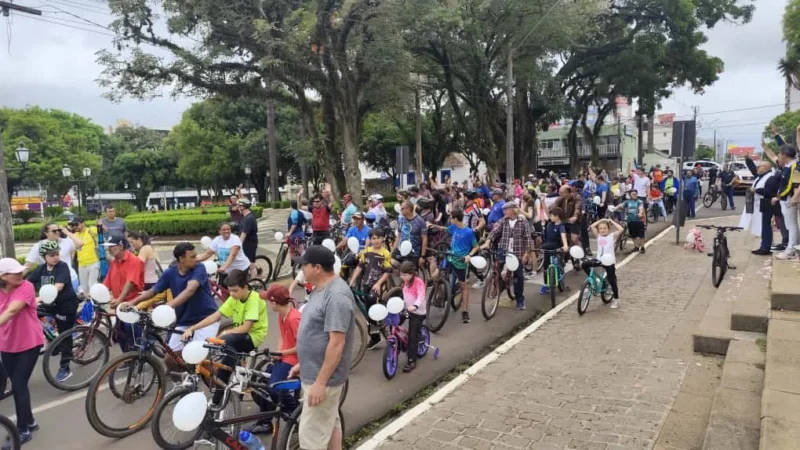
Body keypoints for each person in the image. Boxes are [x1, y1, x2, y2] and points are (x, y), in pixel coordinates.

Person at [288, 246, 354, 450]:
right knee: (329, 422)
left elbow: (336, 344)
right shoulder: (320, 289)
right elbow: (317, 334)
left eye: (303, 265)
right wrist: (304, 362)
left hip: (323, 380)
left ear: (317, 268)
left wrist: (320, 383)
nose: (301, 270)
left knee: (311, 438)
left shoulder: (336, 296)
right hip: (314, 371)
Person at [122, 243, 219, 371]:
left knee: (200, 360)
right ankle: (180, 386)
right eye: (192, 256)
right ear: (181, 259)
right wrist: (133, 303)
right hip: (184, 321)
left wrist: (168, 307)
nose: (197, 258)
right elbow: (154, 291)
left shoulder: (199, 268)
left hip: (206, 320)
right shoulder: (170, 273)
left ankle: (219, 387)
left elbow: (190, 290)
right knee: (170, 360)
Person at [181, 269, 267, 402]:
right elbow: (215, 317)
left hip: (252, 336)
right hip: (239, 335)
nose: (231, 294)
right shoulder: (234, 298)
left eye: (235, 290)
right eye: (230, 291)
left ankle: (219, 396)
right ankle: (231, 377)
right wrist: (192, 328)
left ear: (245, 287)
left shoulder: (254, 298)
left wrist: (226, 332)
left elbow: (246, 328)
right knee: (217, 349)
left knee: (226, 352)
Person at [0, 258, 45, 445]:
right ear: (3, 276)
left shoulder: (25, 287)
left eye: (20, 271)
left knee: (18, 385)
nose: (20, 274)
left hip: (29, 343)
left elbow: (12, 311)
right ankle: (31, 421)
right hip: (6, 344)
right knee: (19, 384)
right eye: (15, 272)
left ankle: (22, 430)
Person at [248, 284, 301, 434]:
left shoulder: (294, 319)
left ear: (274, 303)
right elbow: (282, 336)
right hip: (285, 356)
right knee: (260, 384)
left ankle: (293, 411)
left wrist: (282, 353)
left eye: (269, 301)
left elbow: (302, 346)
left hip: (294, 359)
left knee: (274, 387)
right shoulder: (282, 315)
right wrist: (278, 353)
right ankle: (265, 422)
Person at [27, 241, 80, 383]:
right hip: (50, 304)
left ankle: (65, 367)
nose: (56, 257)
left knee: (64, 335)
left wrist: (38, 299)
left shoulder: (62, 267)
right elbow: (27, 282)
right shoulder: (41, 269)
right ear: (44, 257)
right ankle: (52, 340)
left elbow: (58, 286)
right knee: (34, 315)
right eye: (52, 255)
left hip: (66, 305)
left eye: (57, 253)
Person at [428, 209, 480, 321]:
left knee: (463, 286)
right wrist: (433, 225)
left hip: (460, 261)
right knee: (435, 276)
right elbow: (446, 229)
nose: (450, 220)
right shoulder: (454, 228)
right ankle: (440, 295)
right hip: (449, 257)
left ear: (455, 219)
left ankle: (465, 311)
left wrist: (469, 255)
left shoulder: (469, 232)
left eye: (451, 218)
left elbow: (476, 246)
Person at [481, 202, 533, 310]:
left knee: (519, 276)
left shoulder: (522, 221)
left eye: (507, 209)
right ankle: (498, 283)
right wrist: (487, 242)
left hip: (517, 252)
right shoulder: (503, 220)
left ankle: (520, 300)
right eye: (504, 210)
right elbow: (494, 232)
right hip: (503, 249)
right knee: (496, 268)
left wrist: (526, 253)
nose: (504, 212)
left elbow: (528, 238)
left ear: (513, 210)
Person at [348, 228, 392, 349]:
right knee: (367, 308)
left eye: (379, 238)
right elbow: (359, 267)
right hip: (366, 283)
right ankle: (374, 327)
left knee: (371, 303)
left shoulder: (386, 253)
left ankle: (375, 335)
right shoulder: (366, 251)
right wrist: (351, 281)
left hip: (377, 285)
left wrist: (378, 284)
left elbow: (387, 272)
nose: (376, 240)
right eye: (373, 238)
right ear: (370, 240)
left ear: (383, 239)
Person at [102, 236, 145, 353]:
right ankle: (127, 358)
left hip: (132, 302)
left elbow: (130, 282)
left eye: (111, 246)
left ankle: (143, 354)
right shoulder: (114, 262)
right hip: (119, 303)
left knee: (131, 330)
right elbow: (107, 281)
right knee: (119, 333)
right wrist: (98, 293)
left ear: (121, 246)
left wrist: (120, 300)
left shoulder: (134, 261)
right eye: (108, 247)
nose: (109, 249)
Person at [23, 222, 83, 291]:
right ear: (46, 233)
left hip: (70, 278)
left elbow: (80, 243)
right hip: (49, 280)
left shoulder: (66, 241)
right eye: (54, 231)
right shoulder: (39, 245)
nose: (57, 232)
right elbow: (28, 265)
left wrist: (67, 232)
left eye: (59, 230)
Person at [740, 157, 778, 255]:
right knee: (762, 226)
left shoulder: (770, 177)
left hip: (765, 204)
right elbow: (753, 169)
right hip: (759, 204)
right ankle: (764, 245)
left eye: (759, 167)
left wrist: (756, 190)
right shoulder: (762, 175)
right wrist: (748, 159)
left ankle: (765, 247)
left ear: (765, 168)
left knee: (765, 226)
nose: (757, 169)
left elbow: (769, 192)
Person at [398, 261, 426, 372]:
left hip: (418, 312)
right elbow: (403, 296)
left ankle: (411, 360)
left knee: (412, 336)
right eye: (401, 274)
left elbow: (421, 295)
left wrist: (415, 306)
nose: (402, 277)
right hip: (408, 310)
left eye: (405, 275)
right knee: (396, 321)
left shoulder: (418, 282)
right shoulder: (405, 282)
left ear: (411, 273)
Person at [588, 219, 623, 308]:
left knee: (612, 280)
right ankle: (593, 282)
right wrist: (602, 220)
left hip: (609, 261)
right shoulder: (598, 236)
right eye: (600, 228)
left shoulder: (612, 236)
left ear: (608, 229)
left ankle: (616, 299)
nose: (602, 230)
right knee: (585, 264)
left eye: (605, 228)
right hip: (599, 260)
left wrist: (611, 221)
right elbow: (592, 226)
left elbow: (621, 229)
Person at [774, 144, 799, 260]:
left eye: (779, 154)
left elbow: (790, 185)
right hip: (786, 198)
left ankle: (790, 250)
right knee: (792, 226)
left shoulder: (794, 166)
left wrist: (780, 196)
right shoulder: (788, 166)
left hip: (789, 199)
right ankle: (794, 249)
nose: (778, 156)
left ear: (784, 155)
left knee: (792, 226)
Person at [538, 206, 569, 295]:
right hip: (547, 247)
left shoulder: (561, 226)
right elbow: (547, 211)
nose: (550, 217)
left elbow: (563, 236)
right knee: (546, 267)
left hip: (557, 248)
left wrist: (565, 245)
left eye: (552, 216)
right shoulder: (549, 224)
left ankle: (561, 280)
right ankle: (546, 284)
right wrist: (543, 202)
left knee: (559, 264)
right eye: (550, 215)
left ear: (557, 216)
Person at [391, 201, 428, 269]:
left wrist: (423, 256)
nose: (400, 210)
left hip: (413, 252)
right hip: (400, 250)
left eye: (402, 208)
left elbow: (424, 238)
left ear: (408, 209)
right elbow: (398, 236)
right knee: (391, 262)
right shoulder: (401, 220)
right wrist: (392, 251)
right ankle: (402, 272)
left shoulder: (420, 221)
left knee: (411, 273)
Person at [68, 217, 99, 297]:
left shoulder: (91, 230)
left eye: (77, 224)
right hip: (81, 264)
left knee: (92, 285)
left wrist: (100, 226)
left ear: (83, 223)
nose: (75, 227)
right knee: (84, 288)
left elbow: (104, 231)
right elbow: (72, 250)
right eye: (73, 225)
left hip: (93, 262)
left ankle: (96, 304)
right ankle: (88, 306)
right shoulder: (75, 235)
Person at [237, 198, 259, 279]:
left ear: (243, 207)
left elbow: (244, 233)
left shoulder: (248, 219)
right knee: (246, 261)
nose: (238, 208)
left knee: (251, 265)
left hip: (250, 244)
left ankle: (254, 282)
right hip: (246, 243)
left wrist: (238, 245)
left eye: (239, 206)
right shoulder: (246, 216)